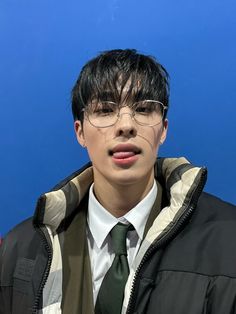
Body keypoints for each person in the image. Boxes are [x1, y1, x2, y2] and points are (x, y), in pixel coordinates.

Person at [1, 49, 236, 314]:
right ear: (80, 132)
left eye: (143, 109)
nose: (126, 125)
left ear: (163, 129)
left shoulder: (229, 239)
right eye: (105, 110)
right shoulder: (20, 249)